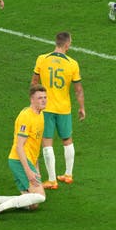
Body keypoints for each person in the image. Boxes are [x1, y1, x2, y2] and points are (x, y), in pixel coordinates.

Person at [0, 84, 47, 221]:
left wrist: (36, 168)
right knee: (40, 196)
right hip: (19, 160)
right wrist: (28, 171)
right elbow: (19, 146)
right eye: (40, 98)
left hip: (28, 160)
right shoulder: (26, 117)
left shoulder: (40, 115)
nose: (44, 100)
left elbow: (35, 146)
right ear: (32, 99)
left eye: (45, 97)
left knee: (32, 204)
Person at [31, 32, 86, 189]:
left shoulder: (42, 59)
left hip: (45, 108)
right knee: (67, 139)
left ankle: (52, 180)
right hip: (64, 108)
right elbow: (78, 90)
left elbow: (34, 81)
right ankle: (68, 175)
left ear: (56, 43)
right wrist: (81, 107)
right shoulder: (72, 64)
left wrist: (34, 102)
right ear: (67, 45)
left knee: (47, 142)